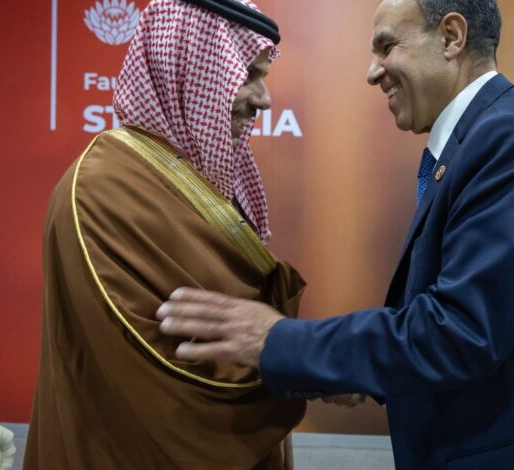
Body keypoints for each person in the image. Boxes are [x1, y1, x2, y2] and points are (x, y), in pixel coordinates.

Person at [156, 0, 514, 468]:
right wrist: (358, 372)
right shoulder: (481, 140)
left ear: (452, 37)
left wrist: (277, 341)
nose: (372, 72)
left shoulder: (510, 141)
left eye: (387, 46)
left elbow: (461, 332)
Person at [24, 0, 307, 468]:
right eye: (249, 75)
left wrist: (295, 354)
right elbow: (156, 365)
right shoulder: (101, 189)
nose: (264, 99)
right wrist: (302, 364)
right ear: (190, 69)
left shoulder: (204, 180)